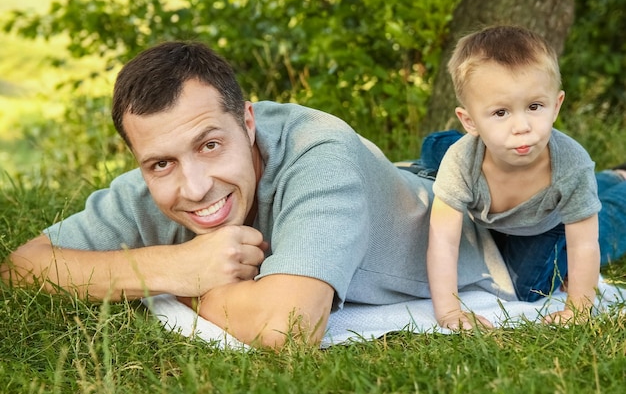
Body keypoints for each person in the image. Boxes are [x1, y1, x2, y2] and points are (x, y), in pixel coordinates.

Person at [1, 40, 519, 349]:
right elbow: (20, 268)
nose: (195, 185)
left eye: (209, 145)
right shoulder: (157, 181)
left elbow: (287, 328)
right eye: (161, 162)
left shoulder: (320, 148)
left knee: (585, 191)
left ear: (247, 122)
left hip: (493, 224)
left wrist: (184, 288)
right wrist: (172, 266)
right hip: (405, 176)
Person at [426, 25, 602, 330]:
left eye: (534, 107)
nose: (522, 126)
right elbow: (442, 240)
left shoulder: (572, 167)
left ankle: (616, 183)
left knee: (526, 288)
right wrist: (449, 311)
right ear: (469, 120)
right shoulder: (462, 159)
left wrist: (579, 309)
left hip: (544, 225)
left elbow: (585, 243)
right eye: (500, 113)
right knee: (437, 150)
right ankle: (434, 149)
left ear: (556, 105)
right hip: (478, 176)